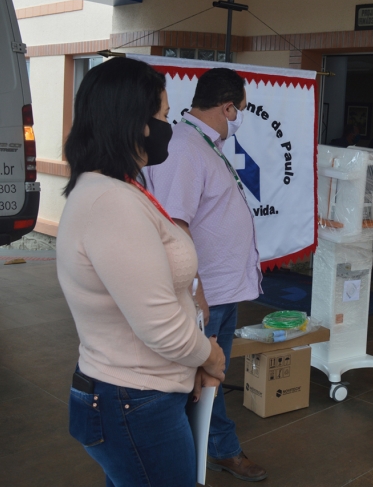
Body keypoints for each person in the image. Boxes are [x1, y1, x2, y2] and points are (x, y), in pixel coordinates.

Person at [57, 57, 227, 487]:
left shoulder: (116, 189)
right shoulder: (110, 203)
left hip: (142, 395)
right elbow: (159, 325)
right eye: (165, 116)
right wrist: (209, 354)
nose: (169, 127)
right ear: (137, 123)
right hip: (133, 400)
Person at [145, 68, 267, 482]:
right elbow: (173, 226)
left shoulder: (203, 144)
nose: (241, 118)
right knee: (194, 381)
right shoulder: (182, 148)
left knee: (210, 377)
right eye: (241, 110)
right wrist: (195, 290)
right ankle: (197, 456)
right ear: (228, 106)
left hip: (222, 290)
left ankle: (214, 449)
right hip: (204, 294)